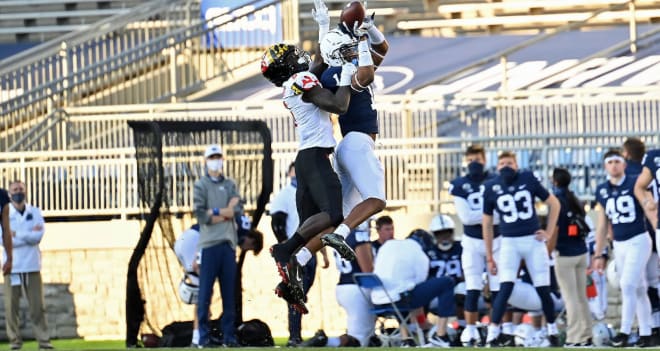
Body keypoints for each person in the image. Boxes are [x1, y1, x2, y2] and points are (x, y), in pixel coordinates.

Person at [261, 40, 359, 310]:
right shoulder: (300, 79)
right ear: (287, 64)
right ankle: (283, 250)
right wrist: (348, 75)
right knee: (334, 215)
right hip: (315, 158)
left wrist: (325, 35)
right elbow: (339, 106)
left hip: (305, 159)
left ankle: (288, 284)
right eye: (293, 55)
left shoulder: (294, 82)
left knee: (310, 230)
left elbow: (318, 63)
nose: (299, 56)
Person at [314, 0, 390, 247]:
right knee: (376, 200)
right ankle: (341, 235)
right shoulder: (345, 73)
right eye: (346, 48)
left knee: (338, 216)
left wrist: (369, 28)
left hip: (348, 145)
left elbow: (382, 49)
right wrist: (361, 39)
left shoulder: (334, 70)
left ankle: (299, 255)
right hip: (357, 143)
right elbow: (366, 73)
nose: (352, 50)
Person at [482, 150, 561, 347]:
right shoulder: (491, 187)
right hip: (509, 242)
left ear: (516, 165)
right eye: (502, 164)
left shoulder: (527, 178)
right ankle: (493, 333)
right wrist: (490, 255)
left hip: (532, 240)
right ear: (496, 168)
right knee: (505, 287)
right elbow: (487, 223)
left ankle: (552, 331)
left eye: (509, 162)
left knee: (543, 287)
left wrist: (549, 232)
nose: (506, 166)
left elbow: (555, 204)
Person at [593, 148, 654, 347]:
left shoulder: (635, 182)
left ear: (624, 164)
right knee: (638, 288)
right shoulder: (601, 190)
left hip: (638, 239)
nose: (614, 165)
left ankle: (624, 331)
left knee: (627, 284)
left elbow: (649, 210)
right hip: (619, 244)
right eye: (609, 162)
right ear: (604, 166)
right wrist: (598, 253)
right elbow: (602, 225)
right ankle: (646, 333)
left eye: (617, 161)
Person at [448, 144, 500, 347]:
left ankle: (495, 330)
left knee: (497, 288)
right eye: (470, 160)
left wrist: (488, 218)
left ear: (485, 160)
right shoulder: (459, 184)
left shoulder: (496, 181)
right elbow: (466, 217)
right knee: (472, 286)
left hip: (497, 241)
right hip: (471, 242)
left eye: (477, 160)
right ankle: (470, 332)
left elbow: (501, 216)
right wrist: (489, 217)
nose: (474, 164)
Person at [269, 162, 325, 346]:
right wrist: (284, 246)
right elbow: (277, 222)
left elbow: (319, 228)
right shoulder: (284, 195)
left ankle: (296, 334)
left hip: (310, 250)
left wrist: (323, 253)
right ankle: (294, 336)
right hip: (294, 251)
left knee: (300, 293)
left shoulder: (311, 196)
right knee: (296, 293)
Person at [193, 144, 244, 347]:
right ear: (206, 160)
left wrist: (215, 213)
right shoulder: (201, 185)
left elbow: (237, 210)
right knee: (205, 293)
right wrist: (223, 211)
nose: (216, 160)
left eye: (218, 156)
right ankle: (204, 338)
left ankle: (229, 337)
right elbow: (201, 215)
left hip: (228, 245)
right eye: (212, 157)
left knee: (229, 294)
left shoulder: (230, 184)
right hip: (209, 245)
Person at [372, 229, 456, 347]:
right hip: (399, 301)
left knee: (400, 291)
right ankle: (441, 335)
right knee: (447, 282)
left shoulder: (388, 245)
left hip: (377, 303)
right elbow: (418, 285)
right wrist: (422, 322)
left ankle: (406, 339)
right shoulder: (420, 254)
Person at [301, 220, 375, 347]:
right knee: (358, 340)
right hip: (357, 288)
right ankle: (326, 341)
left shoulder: (340, 236)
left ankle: (325, 341)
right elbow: (367, 270)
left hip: (343, 287)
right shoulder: (359, 235)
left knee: (362, 334)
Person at [3, 181, 52, 351]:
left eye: (21, 189)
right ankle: (15, 342)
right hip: (12, 267)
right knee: (11, 308)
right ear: (9, 194)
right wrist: (26, 235)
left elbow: (37, 237)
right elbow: (4, 239)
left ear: (26, 191)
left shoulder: (35, 212)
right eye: (15, 190)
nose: (18, 192)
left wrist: (17, 234)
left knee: (37, 307)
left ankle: (44, 342)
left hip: (32, 265)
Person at [548, 168, 592, 347]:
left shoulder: (557, 201)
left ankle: (574, 336)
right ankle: (587, 333)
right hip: (581, 252)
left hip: (565, 254)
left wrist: (547, 251)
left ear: (555, 182)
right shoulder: (575, 199)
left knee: (570, 297)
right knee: (581, 296)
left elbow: (555, 230)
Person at [623, 138, 660, 342]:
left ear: (626, 154)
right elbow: (641, 190)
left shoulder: (628, 174)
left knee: (645, 281)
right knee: (650, 280)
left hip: (643, 230)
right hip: (651, 229)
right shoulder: (651, 162)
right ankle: (652, 327)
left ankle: (652, 327)